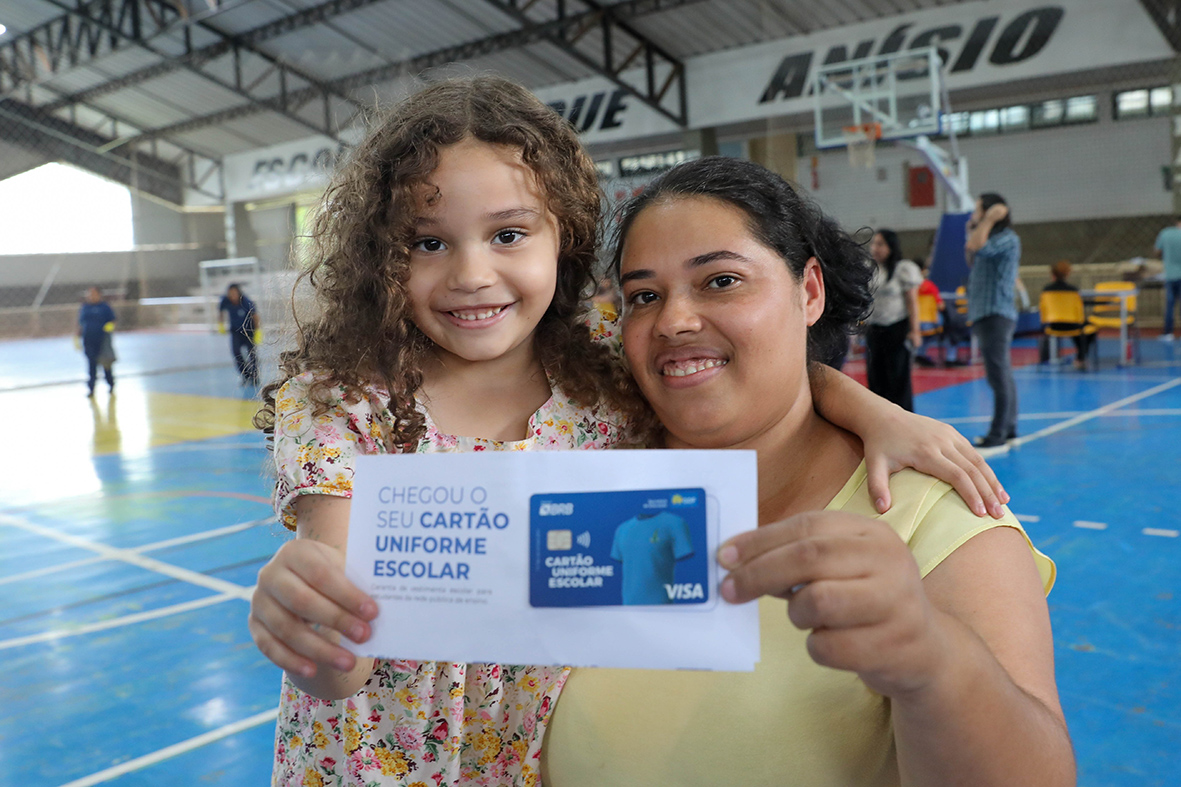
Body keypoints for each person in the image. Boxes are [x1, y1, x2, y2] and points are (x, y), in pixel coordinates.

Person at [246, 77, 1009, 787]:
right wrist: (305, 627)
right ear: (382, 255)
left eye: (507, 234)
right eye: (427, 242)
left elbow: (743, 364)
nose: (471, 273)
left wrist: (877, 412)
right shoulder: (344, 402)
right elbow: (340, 654)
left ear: (564, 237)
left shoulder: (600, 375)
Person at [540, 156, 1073, 786]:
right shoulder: (581, 478)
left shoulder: (937, 513)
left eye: (721, 280)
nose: (674, 320)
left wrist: (934, 659)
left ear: (810, 291)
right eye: (644, 296)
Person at [965, 193, 1020, 449]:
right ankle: (1009, 428)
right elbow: (970, 255)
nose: (974, 214)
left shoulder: (1007, 238)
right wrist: (975, 228)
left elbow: (978, 248)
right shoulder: (987, 235)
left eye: (978, 210)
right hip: (984, 313)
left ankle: (998, 433)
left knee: (998, 376)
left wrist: (986, 220)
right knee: (1001, 374)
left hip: (996, 313)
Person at [864, 229, 922, 410]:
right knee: (875, 377)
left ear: (891, 247)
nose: (875, 248)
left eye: (880, 244)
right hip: (874, 330)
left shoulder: (903, 268)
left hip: (897, 329)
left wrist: (915, 331)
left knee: (897, 378)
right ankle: (880, 418)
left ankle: (904, 418)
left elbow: (912, 302)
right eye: (874, 244)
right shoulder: (870, 269)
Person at [1040, 259, 1094, 370]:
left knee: (1077, 329)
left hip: (1053, 325)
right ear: (1067, 274)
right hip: (1073, 324)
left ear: (1052, 274)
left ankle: (1078, 359)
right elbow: (1079, 311)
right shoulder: (1073, 290)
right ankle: (1080, 358)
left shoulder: (1046, 290)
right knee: (1088, 328)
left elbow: (1043, 308)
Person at [218, 283, 261, 386]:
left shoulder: (246, 302)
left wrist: (258, 331)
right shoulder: (225, 301)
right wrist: (221, 324)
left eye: (234, 293)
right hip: (235, 331)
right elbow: (220, 312)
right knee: (236, 353)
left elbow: (255, 316)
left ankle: (255, 376)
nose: (232, 296)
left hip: (249, 331)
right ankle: (246, 375)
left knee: (252, 354)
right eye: (230, 293)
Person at [77, 286, 116, 397]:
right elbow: (81, 323)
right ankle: (91, 388)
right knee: (91, 365)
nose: (91, 296)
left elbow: (112, 320)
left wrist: (108, 328)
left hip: (102, 341)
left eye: (94, 293)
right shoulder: (85, 307)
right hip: (89, 340)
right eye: (89, 294)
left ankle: (111, 385)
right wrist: (77, 336)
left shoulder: (105, 307)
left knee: (106, 364)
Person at [1154, 215, 1181, 341]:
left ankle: (1168, 333)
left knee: (1170, 305)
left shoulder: (1165, 233)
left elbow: (1157, 251)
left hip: (1170, 275)